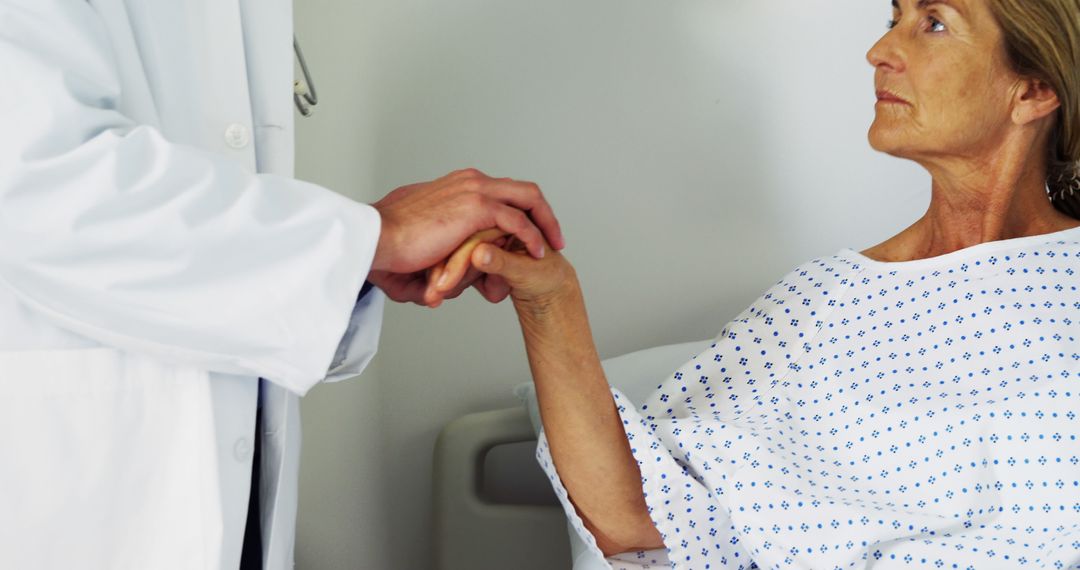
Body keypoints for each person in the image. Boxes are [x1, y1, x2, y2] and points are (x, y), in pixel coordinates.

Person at [443, 0, 1080, 567]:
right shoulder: (821, 306)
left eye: (933, 24)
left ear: (1032, 90)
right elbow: (635, 515)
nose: (881, 51)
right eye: (894, 20)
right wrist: (549, 298)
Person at [0, 1, 563, 569]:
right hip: (84, 492)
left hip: (226, 484)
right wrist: (370, 236)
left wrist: (355, 262)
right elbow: (39, 192)